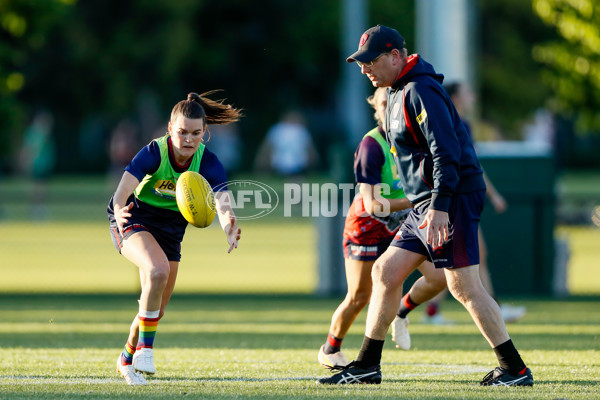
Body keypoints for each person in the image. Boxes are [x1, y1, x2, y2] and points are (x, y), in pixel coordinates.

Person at [317, 25, 533, 386]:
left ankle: (514, 369)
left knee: (464, 287)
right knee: (385, 272)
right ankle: (367, 365)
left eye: (371, 61)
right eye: (360, 63)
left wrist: (440, 207)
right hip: (426, 202)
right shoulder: (398, 90)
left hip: (451, 199)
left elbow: (446, 154)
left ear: (396, 56)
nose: (364, 68)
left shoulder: (421, 90)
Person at [109, 91, 243, 385]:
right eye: (182, 132)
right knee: (158, 271)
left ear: (204, 133)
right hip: (134, 218)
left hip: (170, 230)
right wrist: (119, 212)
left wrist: (229, 224)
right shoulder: (153, 153)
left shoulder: (208, 162)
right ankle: (146, 349)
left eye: (196, 133)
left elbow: (222, 203)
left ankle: (126, 358)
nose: (188, 139)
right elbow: (120, 196)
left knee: (155, 307)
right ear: (170, 130)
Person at [318, 87, 447, 369]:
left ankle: (401, 311)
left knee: (440, 277)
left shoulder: (414, 139)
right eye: (383, 103)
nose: (389, 107)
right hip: (367, 226)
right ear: (375, 107)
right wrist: (418, 199)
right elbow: (374, 205)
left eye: (394, 102)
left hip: (403, 221)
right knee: (360, 296)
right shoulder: (371, 145)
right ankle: (330, 348)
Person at [420, 82, 526, 324]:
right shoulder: (447, 122)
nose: (472, 96)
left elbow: (472, 166)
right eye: (468, 92)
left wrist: (492, 194)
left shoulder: (462, 123)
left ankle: (436, 311)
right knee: (456, 261)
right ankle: (490, 309)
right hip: (453, 200)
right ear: (456, 96)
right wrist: (494, 195)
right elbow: (464, 166)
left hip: (457, 199)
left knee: (465, 259)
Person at [254, 110, 318, 177]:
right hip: (286, 164)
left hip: (290, 165)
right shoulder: (280, 129)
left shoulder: (278, 129)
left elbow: (267, 147)